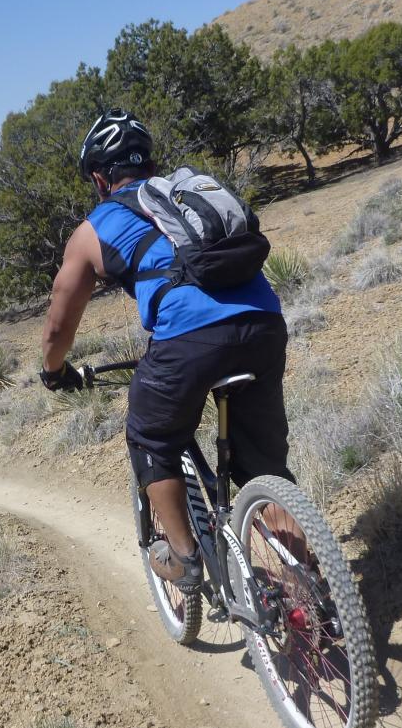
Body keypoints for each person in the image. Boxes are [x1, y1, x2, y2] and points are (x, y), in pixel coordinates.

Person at [39, 109, 294, 591]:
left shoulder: (96, 227)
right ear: (149, 165)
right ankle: (313, 588)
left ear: (99, 177)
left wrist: (54, 371)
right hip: (264, 324)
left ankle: (185, 559)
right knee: (264, 467)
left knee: (151, 435)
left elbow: (59, 320)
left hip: (188, 342)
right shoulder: (188, 196)